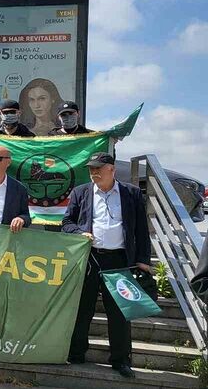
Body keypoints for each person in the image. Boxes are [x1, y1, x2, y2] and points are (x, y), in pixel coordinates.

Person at [62, 152, 151, 379]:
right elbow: (67, 222)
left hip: (120, 261)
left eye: (99, 169)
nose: (94, 173)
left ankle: (121, 360)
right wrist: (80, 232)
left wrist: (143, 261)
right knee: (83, 308)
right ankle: (75, 353)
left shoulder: (130, 193)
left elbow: (141, 230)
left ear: (111, 169)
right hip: (90, 258)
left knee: (120, 312)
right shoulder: (80, 192)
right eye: (91, 169)